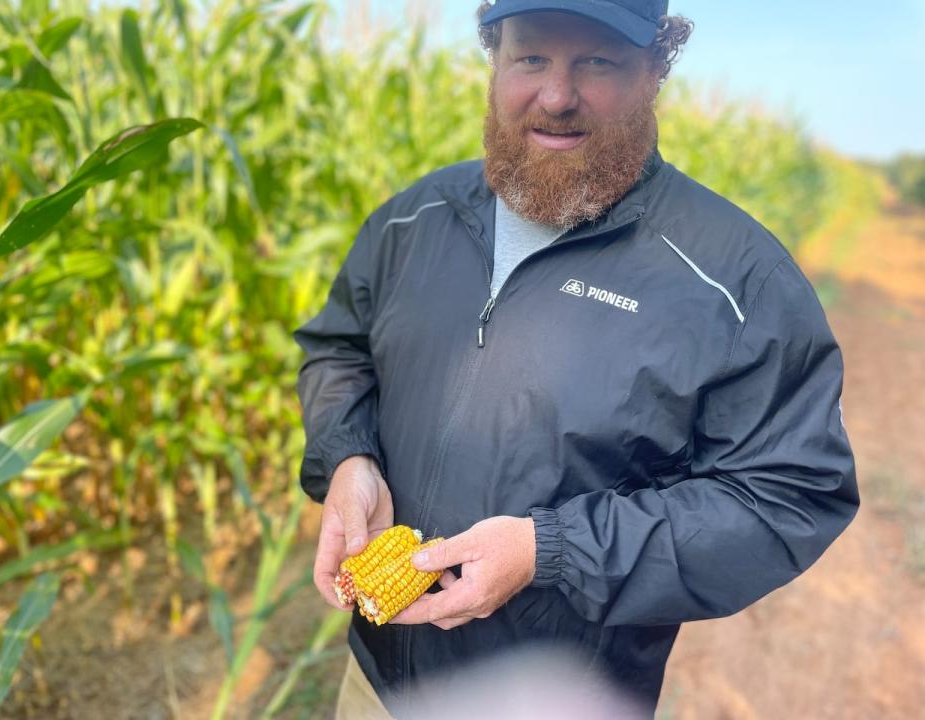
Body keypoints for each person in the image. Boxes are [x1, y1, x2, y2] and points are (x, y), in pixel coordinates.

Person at [293, 1, 860, 717]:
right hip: (378, 682)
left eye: (597, 61)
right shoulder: (415, 219)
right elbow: (338, 349)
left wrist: (550, 549)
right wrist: (350, 457)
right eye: (532, 58)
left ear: (655, 70)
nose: (557, 96)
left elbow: (789, 495)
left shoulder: (733, 279)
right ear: (495, 60)